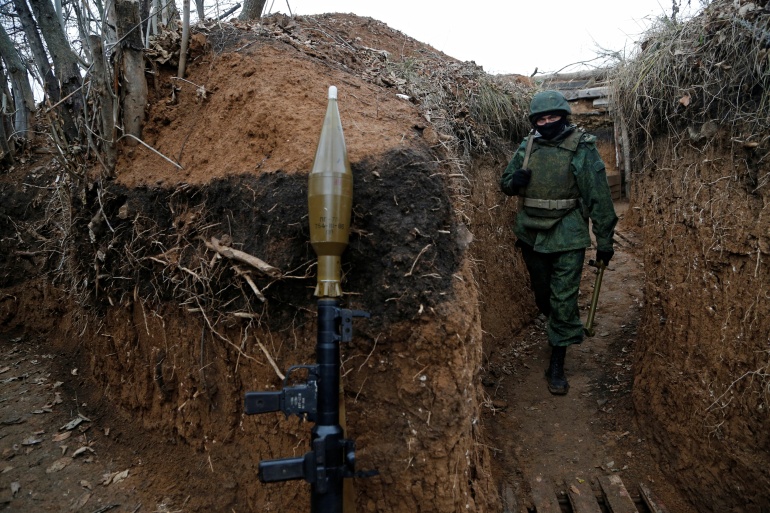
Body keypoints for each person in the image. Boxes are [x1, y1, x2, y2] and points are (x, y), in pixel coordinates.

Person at [500, 90, 618, 395]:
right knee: (544, 298)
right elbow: (505, 182)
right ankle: (558, 327)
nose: (547, 121)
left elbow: (599, 197)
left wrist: (605, 239)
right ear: (534, 121)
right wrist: (515, 183)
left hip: (567, 234)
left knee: (563, 301)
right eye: (541, 117)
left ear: (564, 116)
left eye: (553, 116)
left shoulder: (581, 147)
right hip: (531, 234)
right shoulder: (528, 146)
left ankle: (557, 361)